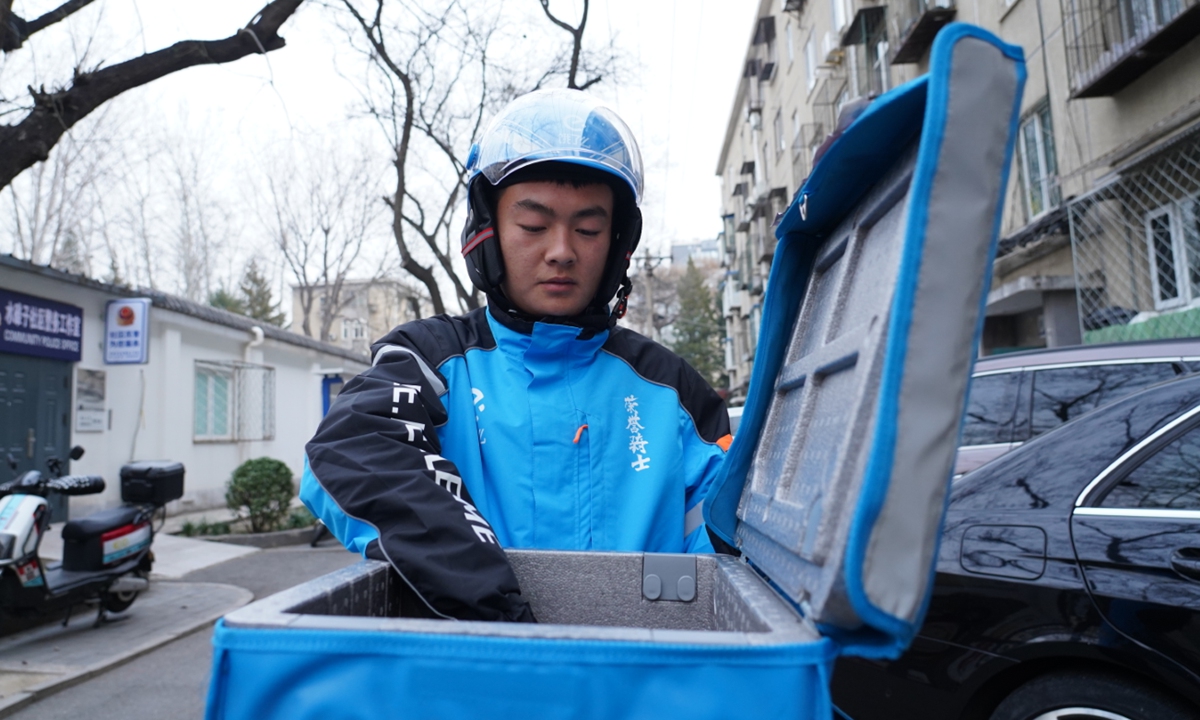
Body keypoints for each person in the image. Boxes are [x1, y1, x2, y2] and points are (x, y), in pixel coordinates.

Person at [300, 89, 732, 624]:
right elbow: (349, 451)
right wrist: (495, 610)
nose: (562, 251)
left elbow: (732, 544)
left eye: (589, 229)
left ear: (617, 242)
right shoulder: (431, 363)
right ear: (488, 232)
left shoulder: (673, 393)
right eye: (533, 226)